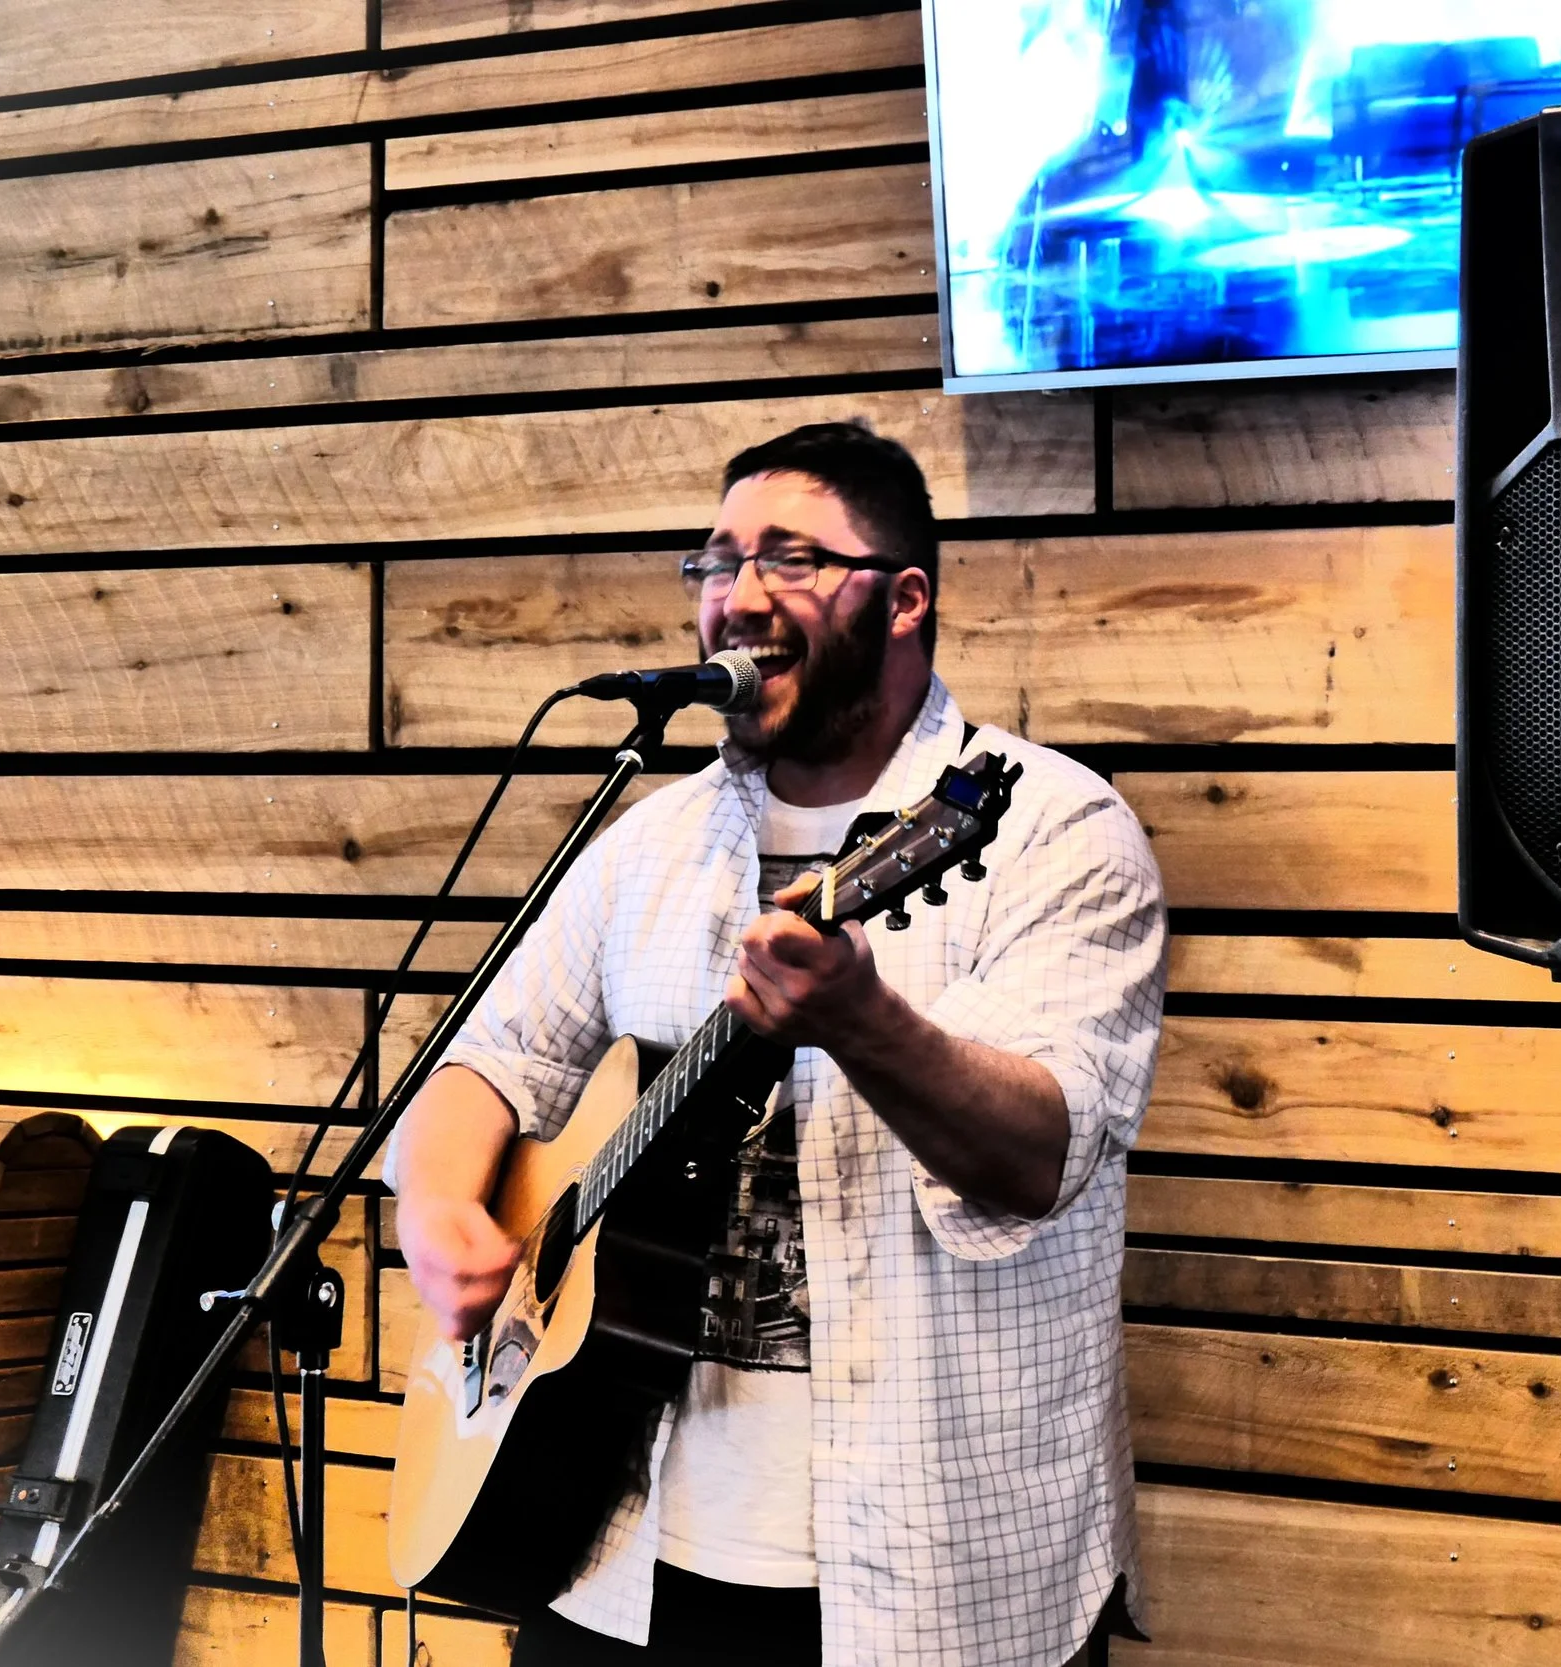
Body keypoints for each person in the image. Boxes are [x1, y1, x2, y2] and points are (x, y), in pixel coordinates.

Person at [388, 422, 1168, 1667]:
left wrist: (861, 1020)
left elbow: (1039, 1152)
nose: (737, 596)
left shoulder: (1047, 831)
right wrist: (434, 1211)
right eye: (713, 562)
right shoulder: (647, 844)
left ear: (905, 597)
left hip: (926, 1579)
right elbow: (482, 1064)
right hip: (607, 1548)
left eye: (789, 558)